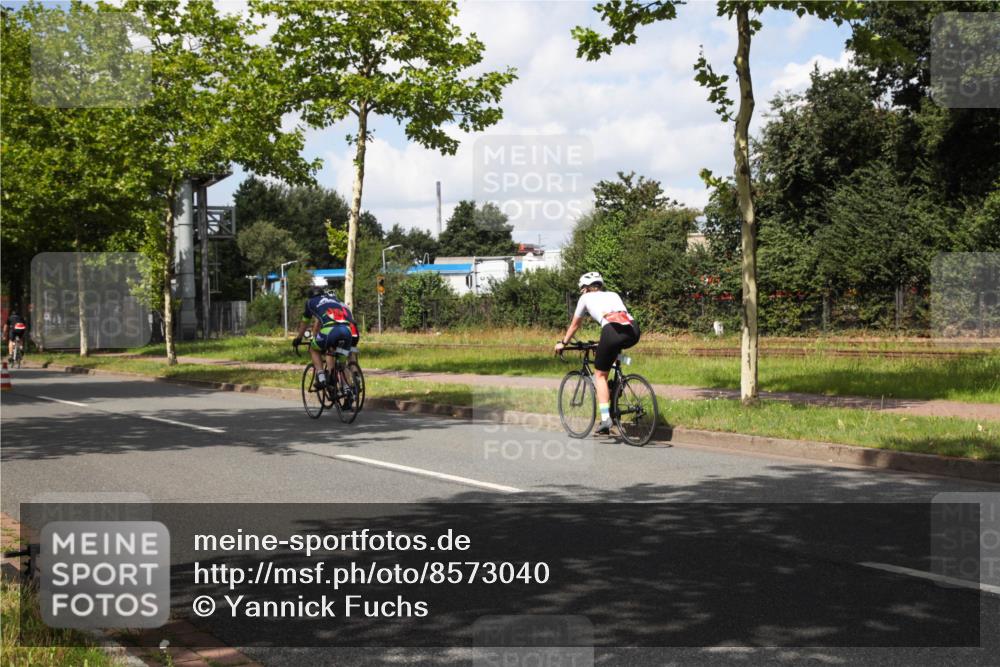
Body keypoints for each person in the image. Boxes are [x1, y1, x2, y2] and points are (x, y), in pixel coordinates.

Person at [554, 272, 640, 435]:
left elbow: (574, 325)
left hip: (611, 331)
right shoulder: (613, 294)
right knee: (612, 356)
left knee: (600, 375)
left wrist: (563, 343)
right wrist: (603, 344)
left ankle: (606, 418)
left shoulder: (585, 298)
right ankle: (616, 390)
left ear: (586, 288)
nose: (581, 292)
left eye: (581, 289)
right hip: (633, 330)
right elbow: (620, 322)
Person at [293, 286, 359, 397]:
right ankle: (347, 389)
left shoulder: (310, 302)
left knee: (313, 349)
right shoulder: (335, 300)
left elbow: (306, 322)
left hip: (331, 331)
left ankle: (321, 376)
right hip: (348, 331)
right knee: (342, 366)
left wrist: (299, 338)